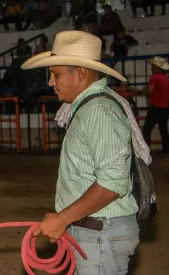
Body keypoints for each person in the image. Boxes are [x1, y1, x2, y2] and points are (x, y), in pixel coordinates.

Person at [21, 30, 151, 274]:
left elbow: (112, 182)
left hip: (100, 234)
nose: (51, 82)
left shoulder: (98, 111)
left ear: (79, 73)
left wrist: (63, 218)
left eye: (55, 74)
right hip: (97, 232)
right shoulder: (91, 108)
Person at [142, 56, 169, 155]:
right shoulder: (166, 78)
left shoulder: (154, 77)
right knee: (163, 129)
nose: (151, 67)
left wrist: (145, 90)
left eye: (153, 65)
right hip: (165, 108)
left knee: (147, 129)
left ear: (156, 67)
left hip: (155, 107)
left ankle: (145, 151)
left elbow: (150, 91)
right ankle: (166, 150)